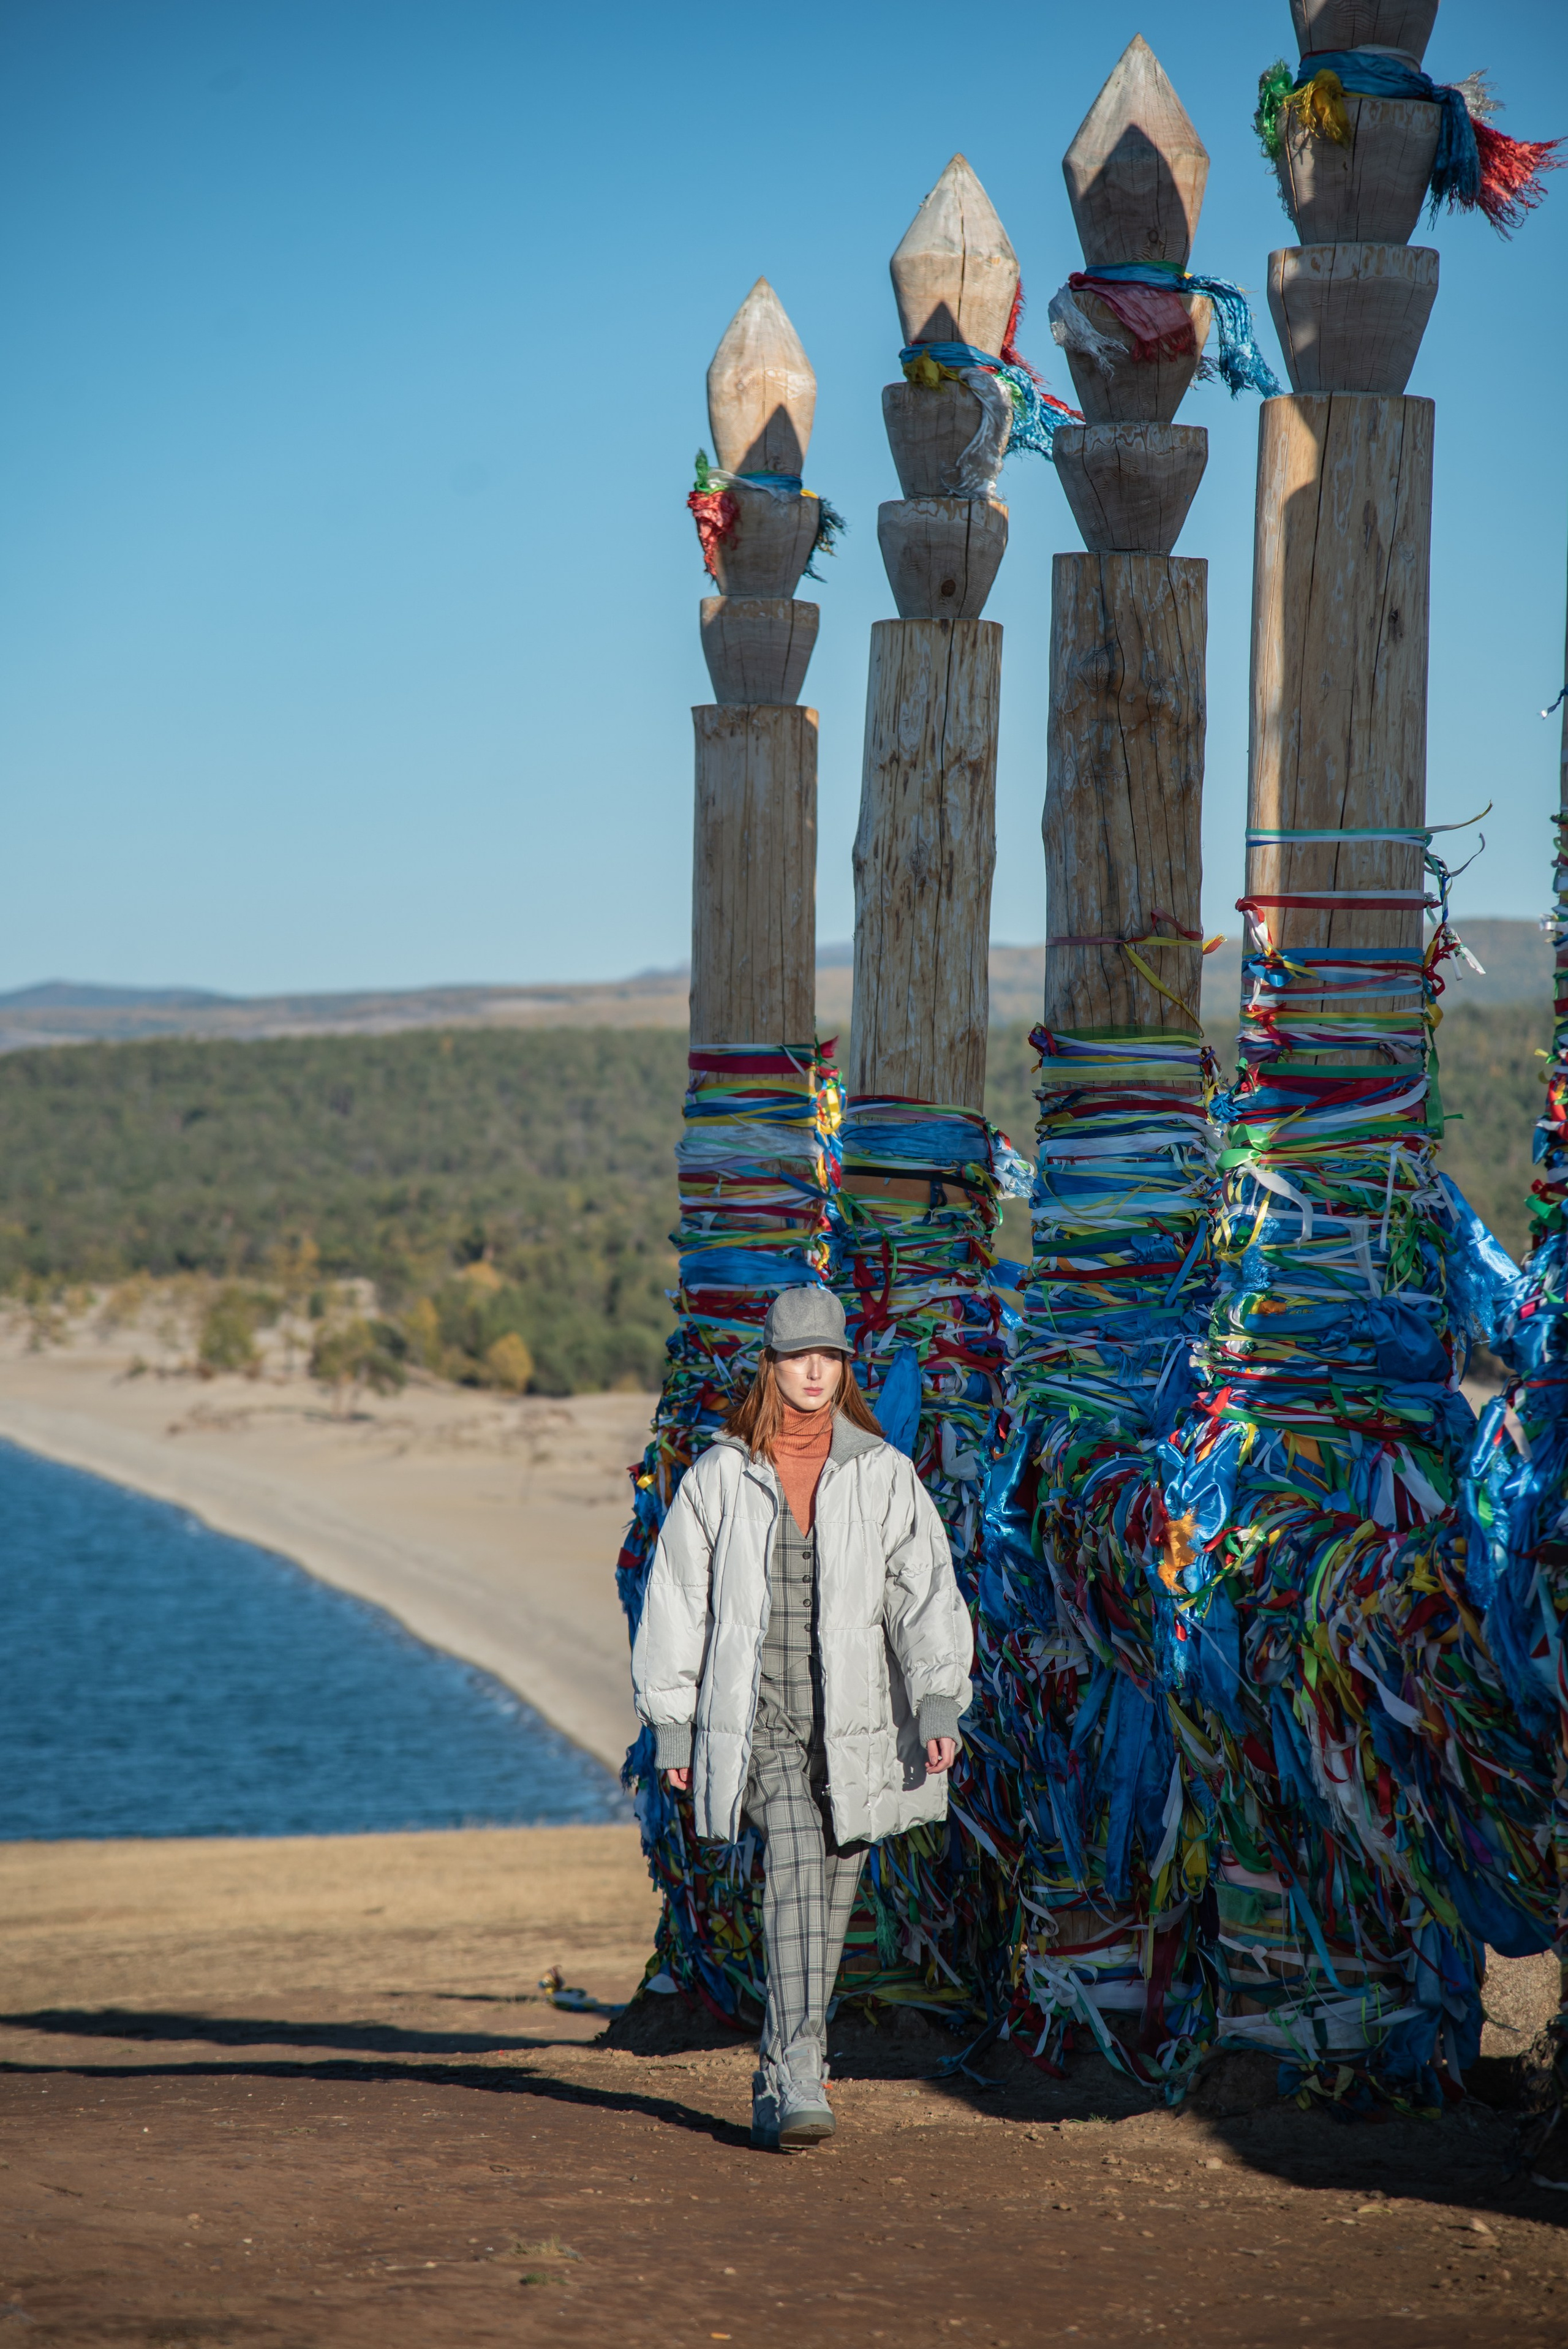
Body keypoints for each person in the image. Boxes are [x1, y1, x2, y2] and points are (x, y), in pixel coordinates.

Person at [630, 1286, 973, 2152]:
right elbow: (677, 1600)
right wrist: (673, 1723)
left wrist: (937, 1700)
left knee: (830, 1891)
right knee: (790, 1857)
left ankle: (780, 2071)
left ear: (844, 1367)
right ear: (771, 1366)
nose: (813, 1373)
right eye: (796, 1357)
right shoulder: (720, 1474)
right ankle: (801, 2072)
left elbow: (925, 1592)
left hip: (855, 1725)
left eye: (828, 1357)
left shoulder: (884, 1474)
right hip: (761, 1723)